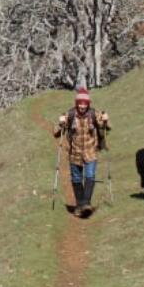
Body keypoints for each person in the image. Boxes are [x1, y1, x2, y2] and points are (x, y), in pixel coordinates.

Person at [53, 86, 110, 217]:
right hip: (74, 153)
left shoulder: (94, 114)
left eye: (84, 104)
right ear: (76, 103)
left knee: (90, 176)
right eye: (80, 104)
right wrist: (60, 123)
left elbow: (106, 127)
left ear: (88, 104)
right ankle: (80, 205)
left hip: (91, 151)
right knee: (76, 178)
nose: (82, 107)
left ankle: (86, 204)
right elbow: (56, 133)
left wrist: (106, 119)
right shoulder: (70, 114)